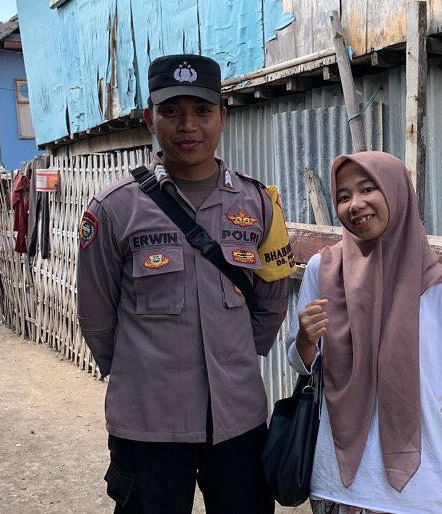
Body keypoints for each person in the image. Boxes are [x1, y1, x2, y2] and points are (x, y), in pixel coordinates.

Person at [76, 53, 295, 514]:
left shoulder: (259, 204)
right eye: (172, 111)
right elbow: (96, 314)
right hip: (149, 421)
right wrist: (141, 371)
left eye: (202, 110)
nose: (188, 126)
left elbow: (273, 297)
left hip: (237, 419)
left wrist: (235, 356)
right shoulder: (113, 208)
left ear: (222, 117)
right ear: (149, 119)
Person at [287, 151, 442, 513]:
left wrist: (437, 452)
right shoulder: (323, 270)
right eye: (343, 195)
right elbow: (299, 363)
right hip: (338, 485)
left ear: (396, 192)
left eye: (368, 189)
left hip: (420, 491)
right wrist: (306, 340)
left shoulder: (440, 288)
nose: (355, 204)